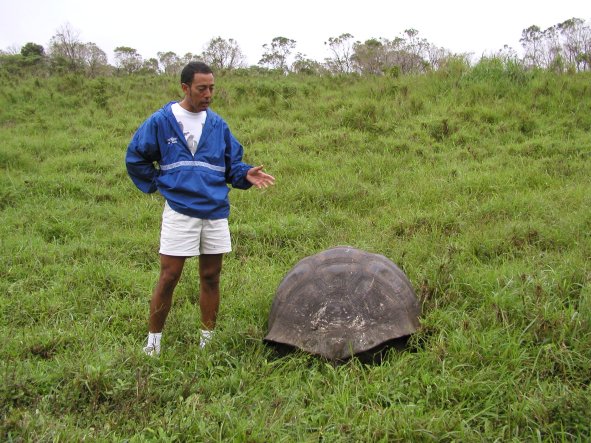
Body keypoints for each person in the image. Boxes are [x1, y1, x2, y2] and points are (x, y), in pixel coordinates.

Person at [126, 61, 275, 356]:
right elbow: (136, 157)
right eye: (201, 88)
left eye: (212, 88)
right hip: (180, 211)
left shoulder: (218, 125)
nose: (208, 94)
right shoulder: (161, 121)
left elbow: (232, 165)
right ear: (185, 88)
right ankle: (153, 343)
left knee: (211, 276)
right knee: (169, 277)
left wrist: (245, 174)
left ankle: (207, 342)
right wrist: (161, 182)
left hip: (215, 210)